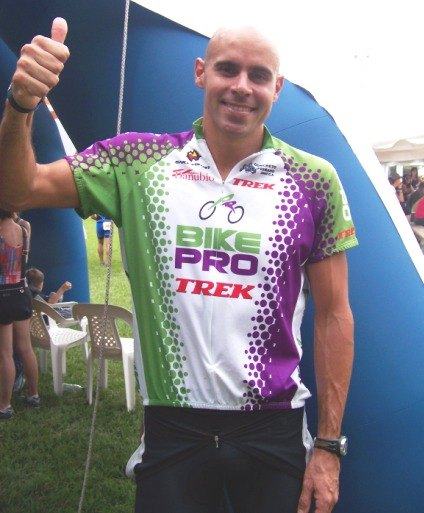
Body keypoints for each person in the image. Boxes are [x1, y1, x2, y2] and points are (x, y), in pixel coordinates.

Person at [0, 19, 357, 513]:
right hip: (173, 427)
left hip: (273, 425)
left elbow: (335, 315)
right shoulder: (137, 160)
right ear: (200, 72)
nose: (241, 86)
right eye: (227, 69)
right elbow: (18, 190)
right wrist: (21, 104)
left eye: (258, 76)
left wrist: (329, 445)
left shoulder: (314, 180)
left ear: (276, 88)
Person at [0, 209, 40, 420]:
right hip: (21, 292)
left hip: (2, 295)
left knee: (5, 354)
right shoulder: (25, 228)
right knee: (25, 348)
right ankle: (33, 395)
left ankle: (4, 405)